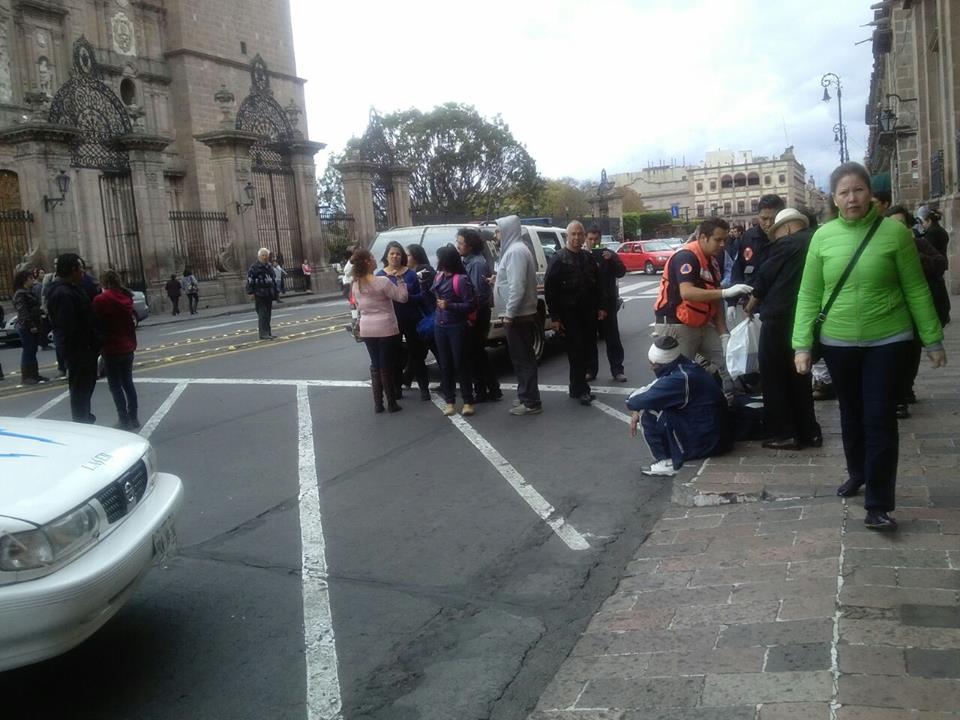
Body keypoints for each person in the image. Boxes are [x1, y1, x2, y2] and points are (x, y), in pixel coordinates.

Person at [793, 162, 946, 531]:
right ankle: (857, 471)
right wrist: (801, 345)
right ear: (834, 199)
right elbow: (810, 293)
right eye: (844, 192)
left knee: (879, 419)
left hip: (888, 340)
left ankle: (879, 503)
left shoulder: (894, 235)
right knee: (851, 413)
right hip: (839, 341)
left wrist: (932, 338)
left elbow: (915, 287)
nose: (852, 198)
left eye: (858, 190)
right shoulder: (822, 237)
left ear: (870, 194)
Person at [745, 208, 820, 449]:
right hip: (807, 316)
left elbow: (764, 278)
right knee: (800, 376)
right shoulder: (816, 239)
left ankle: (784, 432)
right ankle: (809, 431)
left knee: (774, 376)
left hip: (779, 317)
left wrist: (750, 306)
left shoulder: (786, 244)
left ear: (786, 228)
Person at [653, 217, 752, 396]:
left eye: (725, 240)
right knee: (677, 378)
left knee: (727, 361)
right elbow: (687, 292)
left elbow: (715, 299)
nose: (722, 244)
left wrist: (723, 334)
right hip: (677, 324)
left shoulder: (712, 260)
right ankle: (661, 417)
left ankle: (732, 406)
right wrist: (725, 293)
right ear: (703, 237)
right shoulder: (686, 256)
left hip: (700, 324)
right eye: (718, 240)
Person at [627, 336, 732, 477]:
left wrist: (636, 409)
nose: (650, 367)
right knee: (657, 403)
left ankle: (668, 462)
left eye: (653, 364)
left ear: (661, 364)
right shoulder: (683, 365)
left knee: (648, 412)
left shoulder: (679, 379)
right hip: (716, 434)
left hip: (706, 442)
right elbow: (653, 389)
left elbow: (634, 401)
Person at [886, 205, 950, 417]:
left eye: (902, 224)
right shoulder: (882, 247)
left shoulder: (920, 243)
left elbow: (941, 263)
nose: (898, 228)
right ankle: (897, 396)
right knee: (896, 355)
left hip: (917, 309)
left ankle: (904, 392)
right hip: (893, 311)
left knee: (911, 353)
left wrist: (914, 254)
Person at [544, 220, 607, 405]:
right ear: (567, 236)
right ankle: (581, 389)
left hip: (587, 313)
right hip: (569, 315)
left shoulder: (587, 258)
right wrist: (554, 317)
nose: (577, 237)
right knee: (576, 352)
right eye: (573, 234)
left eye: (580, 234)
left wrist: (602, 307)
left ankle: (576, 387)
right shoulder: (558, 258)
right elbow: (550, 290)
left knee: (587, 350)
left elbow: (598, 284)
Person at [495, 215, 542, 416]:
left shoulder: (515, 252)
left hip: (518, 316)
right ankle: (526, 396)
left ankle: (530, 401)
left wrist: (509, 314)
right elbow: (512, 281)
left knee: (523, 359)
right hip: (519, 315)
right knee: (522, 358)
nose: (496, 235)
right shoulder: (515, 250)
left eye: (498, 231)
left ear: (507, 231)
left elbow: (518, 286)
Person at [351, 248, 408, 413]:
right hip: (386, 327)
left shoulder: (356, 284)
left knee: (375, 365)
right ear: (368, 262)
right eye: (373, 258)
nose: (376, 260)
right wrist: (400, 280)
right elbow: (402, 297)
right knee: (386, 366)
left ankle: (378, 403)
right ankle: (391, 402)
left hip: (367, 328)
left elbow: (358, 306)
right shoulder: (382, 281)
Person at [47, 253, 100, 423]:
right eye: (81, 268)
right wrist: (87, 345)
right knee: (80, 390)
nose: (83, 272)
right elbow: (69, 327)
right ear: (72, 270)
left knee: (85, 388)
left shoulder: (71, 289)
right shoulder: (63, 293)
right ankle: (81, 421)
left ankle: (84, 417)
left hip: (84, 349)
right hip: (79, 350)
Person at [376, 241, 427, 400]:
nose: (395, 256)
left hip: (411, 319)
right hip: (390, 320)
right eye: (392, 253)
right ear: (386, 256)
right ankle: (396, 388)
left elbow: (421, 297)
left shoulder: (410, 274)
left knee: (416, 354)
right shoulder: (380, 275)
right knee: (394, 356)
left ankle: (424, 389)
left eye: (398, 254)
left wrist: (406, 298)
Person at [431, 245, 478, 416]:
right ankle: (449, 401)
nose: (437, 261)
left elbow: (471, 304)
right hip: (440, 325)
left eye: (439, 258)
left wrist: (449, 305)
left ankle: (468, 401)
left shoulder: (461, 279)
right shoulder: (438, 277)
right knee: (445, 364)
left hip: (456, 326)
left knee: (460, 363)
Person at [457, 227, 502, 402]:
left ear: (470, 245)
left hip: (477, 314)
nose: (458, 245)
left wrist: (470, 316)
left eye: (461, 243)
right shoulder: (468, 261)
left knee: (476, 353)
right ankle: (488, 388)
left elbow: (476, 294)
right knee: (476, 353)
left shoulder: (476, 263)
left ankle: (487, 389)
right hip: (475, 313)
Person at [92, 270, 139, 429]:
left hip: (111, 347)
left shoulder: (101, 300)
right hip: (128, 346)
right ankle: (133, 416)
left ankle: (123, 419)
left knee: (115, 386)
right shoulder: (126, 297)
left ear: (104, 283)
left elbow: (96, 322)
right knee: (128, 383)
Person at [586, 226, 627, 382]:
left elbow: (621, 272)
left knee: (612, 337)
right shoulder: (583, 256)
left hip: (608, 303)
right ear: (586, 239)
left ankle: (617, 370)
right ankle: (591, 370)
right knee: (590, 339)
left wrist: (611, 260)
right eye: (590, 239)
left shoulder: (610, 255)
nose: (593, 242)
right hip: (590, 304)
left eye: (596, 239)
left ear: (600, 239)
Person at [12, 270, 49, 385]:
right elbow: (23, 312)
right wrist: (31, 325)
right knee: (28, 350)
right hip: (26, 326)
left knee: (32, 350)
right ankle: (27, 376)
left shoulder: (27, 291)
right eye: (30, 278)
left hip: (33, 323)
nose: (32, 280)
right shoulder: (20, 294)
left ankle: (34, 374)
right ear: (25, 280)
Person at [246, 248, 278, 340]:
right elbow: (250, 280)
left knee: (268, 314)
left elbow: (273, 278)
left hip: (269, 293)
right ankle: (263, 334)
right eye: (263, 255)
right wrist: (250, 292)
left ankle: (268, 332)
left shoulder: (269, 266)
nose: (265, 257)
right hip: (259, 293)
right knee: (262, 314)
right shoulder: (254, 267)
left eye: (266, 255)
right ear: (259, 256)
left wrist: (275, 291)